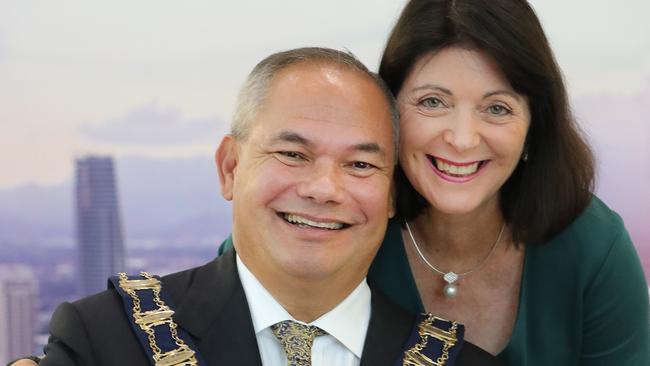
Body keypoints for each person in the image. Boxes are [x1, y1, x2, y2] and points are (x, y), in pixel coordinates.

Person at [8, 47, 504, 366]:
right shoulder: (108, 339)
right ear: (230, 167)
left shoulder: (456, 361)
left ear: (393, 194)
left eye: (360, 165)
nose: (325, 189)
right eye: (293, 154)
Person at [366, 0, 649, 365]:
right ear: (389, 108)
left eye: (497, 108)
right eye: (432, 102)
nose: (463, 139)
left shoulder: (594, 247)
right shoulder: (348, 223)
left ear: (534, 125)